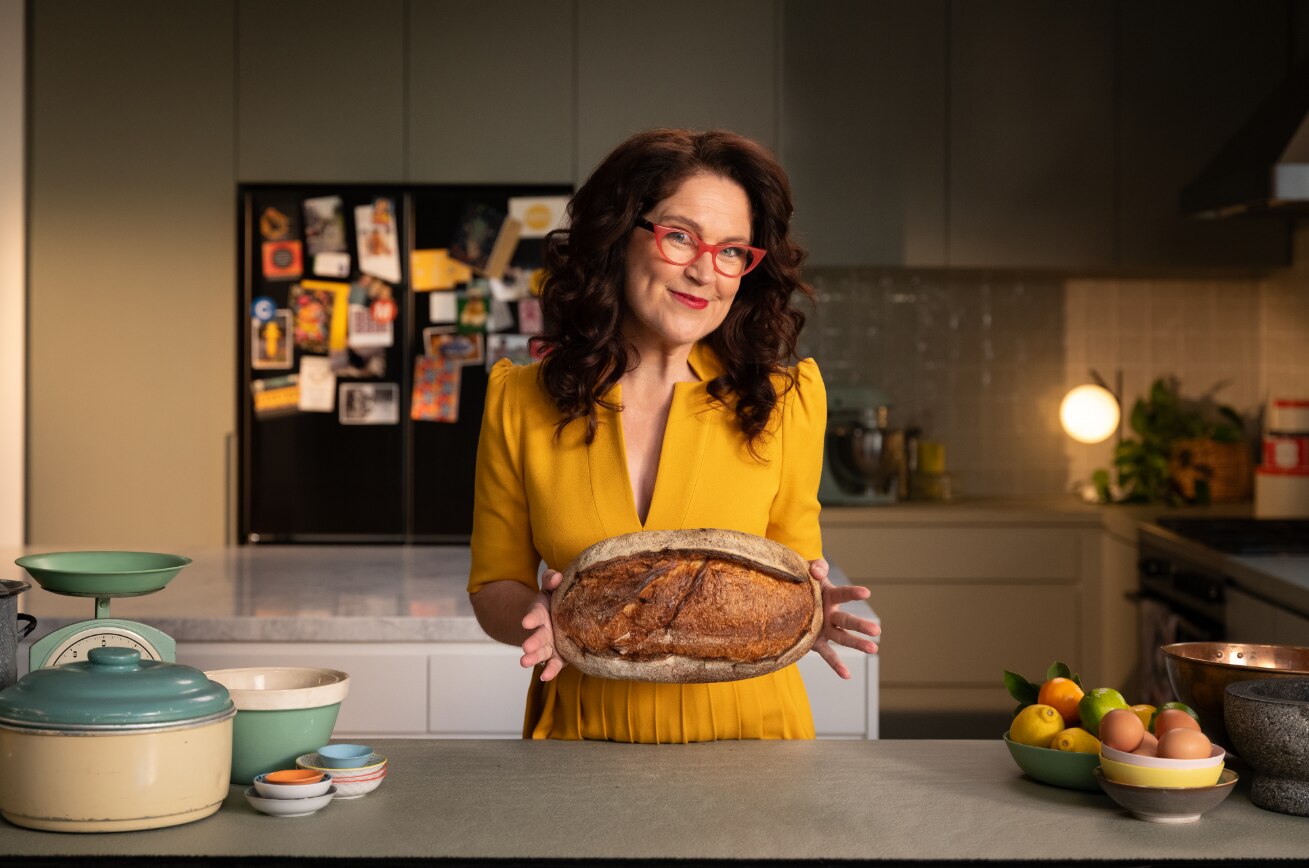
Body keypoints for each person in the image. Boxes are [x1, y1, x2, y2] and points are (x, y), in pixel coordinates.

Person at [467, 128, 880, 742]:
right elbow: (493, 581)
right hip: (580, 742)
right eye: (679, 236)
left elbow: (793, 571)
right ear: (617, 237)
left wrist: (806, 615)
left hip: (750, 745)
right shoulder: (521, 400)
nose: (703, 271)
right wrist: (536, 616)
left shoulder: (786, 402)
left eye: (732, 251)